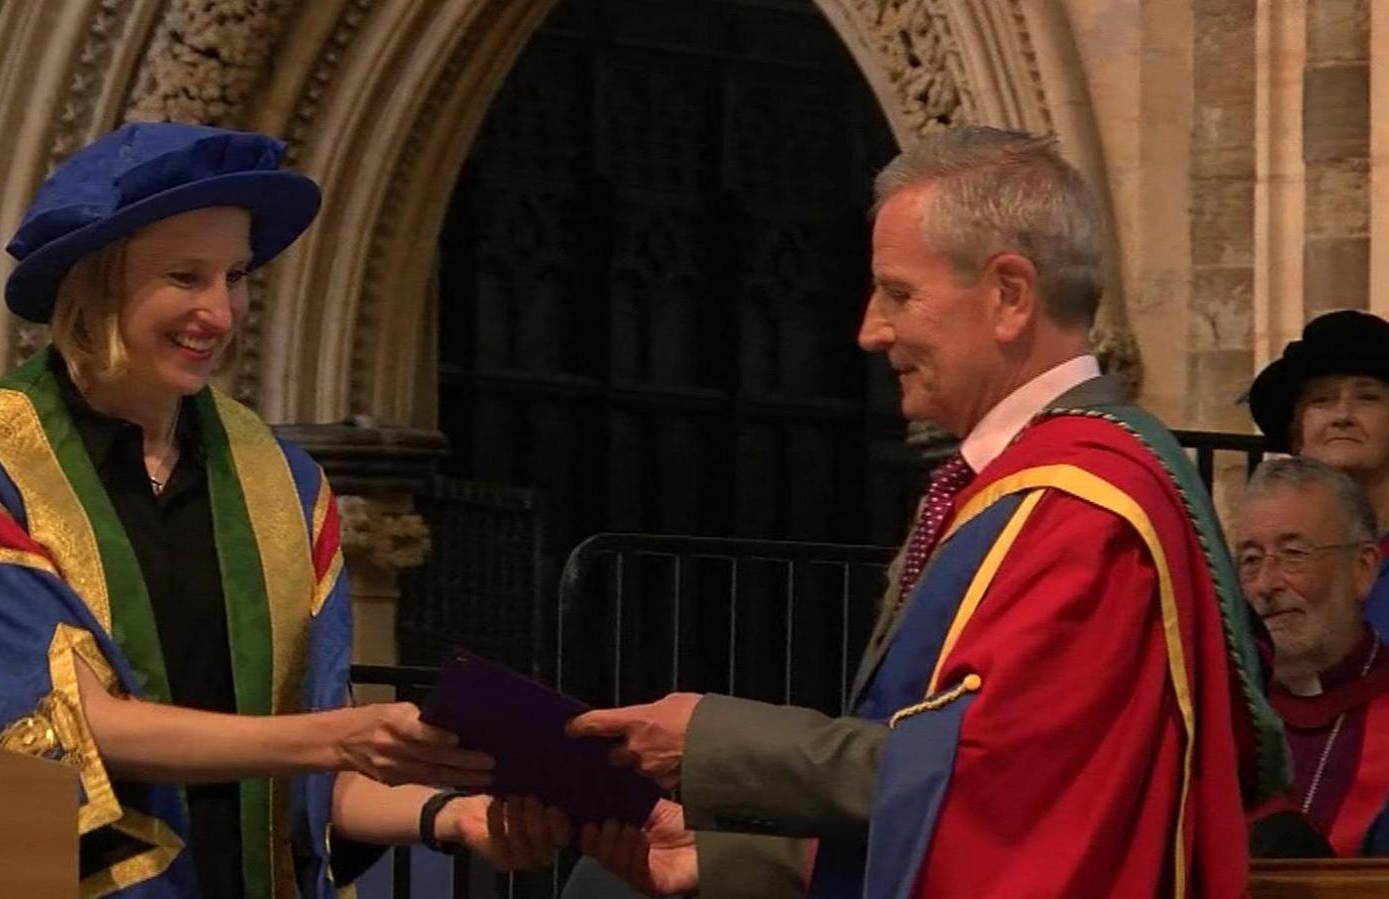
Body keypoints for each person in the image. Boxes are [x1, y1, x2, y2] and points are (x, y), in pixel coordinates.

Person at [568, 126, 1287, 898]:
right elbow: (947, 792)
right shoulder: (1022, 485)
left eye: (899, 294)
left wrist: (711, 741)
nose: (872, 330)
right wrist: (722, 857)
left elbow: (990, 785)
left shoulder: (1085, 510)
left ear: (1010, 296)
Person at [0, 122, 566, 898]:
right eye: (185, 276)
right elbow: (64, 729)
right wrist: (334, 737)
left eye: (235, 275)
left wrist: (452, 816)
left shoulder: (285, 485)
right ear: (98, 284)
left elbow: (310, 789)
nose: (222, 313)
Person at [1235, 456, 1389, 857]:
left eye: (1294, 554)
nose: (1266, 584)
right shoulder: (1224, 716)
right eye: (1251, 560)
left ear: (1362, 568)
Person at [1247, 309, 1389, 638]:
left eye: (1367, 398)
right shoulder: (1261, 567)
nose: (1342, 416)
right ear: (1298, 433)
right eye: (1322, 400)